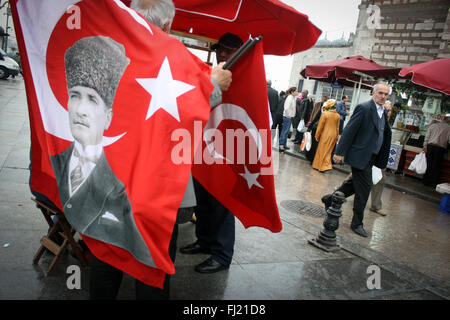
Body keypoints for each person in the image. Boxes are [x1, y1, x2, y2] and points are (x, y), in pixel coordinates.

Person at [86, 0, 233, 299]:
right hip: (155, 187)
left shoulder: (105, 50)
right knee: (154, 264)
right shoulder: (175, 59)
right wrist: (214, 86)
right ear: (167, 25)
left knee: (106, 257)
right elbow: (185, 110)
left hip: (108, 178)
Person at [179, 32, 244, 275]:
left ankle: (222, 254)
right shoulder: (209, 73)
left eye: (229, 50)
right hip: (203, 146)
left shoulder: (245, 79)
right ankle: (204, 240)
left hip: (228, 150)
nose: (223, 54)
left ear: (240, 51)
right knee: (203, 200)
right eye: (220, 49)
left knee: (222, 204)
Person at [321, 83, 392, 238]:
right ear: (373, 93)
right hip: (360, 155)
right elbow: (350, 130)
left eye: (386, 94)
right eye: (380, 93)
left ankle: (330, 199)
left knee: (355, 184)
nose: (383, 96)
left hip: (372, 156)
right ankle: (357, 223)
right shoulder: (364, 108)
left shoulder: (383, 111)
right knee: (364, 189)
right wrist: (340, 152)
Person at [369, 100, 392, 216]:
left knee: (380, 180)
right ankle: (338, 192)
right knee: (354, 178)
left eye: (390, 110)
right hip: (370, 156)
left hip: (380, 158)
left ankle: (376, 206)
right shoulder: (377, 120)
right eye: (386, 110)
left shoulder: (386, 123)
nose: (388, 112)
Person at [312, 99, 340, 172]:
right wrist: (337, 137)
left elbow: (320, 126)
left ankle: (320, 166)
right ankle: (322, 166)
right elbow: (337, 127)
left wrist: (317, 135)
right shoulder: (337, 115)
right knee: (328, 151)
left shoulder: (325, 114)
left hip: (325, 134)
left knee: (321, 150)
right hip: (333, 134)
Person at [422, 114, 450, 187]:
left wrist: (425, 146)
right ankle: (433, 182)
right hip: (440, 149)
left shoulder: (433, 126)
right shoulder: (448, 128)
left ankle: (425, 181)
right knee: (437, 166)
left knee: (429, 164)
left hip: (430, 147)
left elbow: (427, 137)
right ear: (447, 120)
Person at [305, 95, 327, 163]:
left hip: (317, 128)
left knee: (314, 144)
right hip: (319, 129)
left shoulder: (323, 111)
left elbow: (316, 118)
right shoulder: (328, 112)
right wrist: (309, 126)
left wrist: (310, 127)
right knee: (315, 144)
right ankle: (312, 158)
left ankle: (311, 157)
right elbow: (315, 117)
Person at [278, 87, 298, 152]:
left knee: (286, 132)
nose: (297, 92)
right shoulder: (289, 98)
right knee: (284, 131)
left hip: (289, 117)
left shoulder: (293, 98)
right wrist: (289, 115)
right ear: (292, 92)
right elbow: (286, 108)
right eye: (296, 91)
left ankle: (284, 144)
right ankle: (281, 145)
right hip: (287, 117)